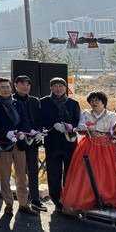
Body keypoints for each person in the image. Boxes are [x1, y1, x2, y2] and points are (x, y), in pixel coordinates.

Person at [61, 91, 116, 212]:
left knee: (106, 172)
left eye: (97, 100)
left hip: (106, 146)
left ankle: (105, 197)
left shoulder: (111, 115)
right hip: (89, 145)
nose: (94, 103)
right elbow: (81, 129)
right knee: (85, 172)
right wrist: (81, 129)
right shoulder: (86, 113)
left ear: (103, 102)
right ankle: (85, 198)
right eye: (92, 100)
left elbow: (115, 133)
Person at [0, 77, 37, 216]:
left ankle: (23, 203)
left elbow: (25, 120)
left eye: (7, 87)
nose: (6, 89)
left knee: (21, 175)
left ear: (11, 87)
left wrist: (23, 131)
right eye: (2, 87)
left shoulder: (18, 103)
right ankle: (9, 203)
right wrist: (6, 133)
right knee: (5, 175)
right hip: (4, 144)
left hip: (20, 143)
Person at [40, 77, 80, 211]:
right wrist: (52, 125)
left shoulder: (73, 103)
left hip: (70, 143)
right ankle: (56, 198)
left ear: (65, 88)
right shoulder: (44, 102)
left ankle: (68, 197)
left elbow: (77, 122)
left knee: (70, 171)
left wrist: (69, 126)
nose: (58, 88)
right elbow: (41, 120)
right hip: (52, 142)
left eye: (61, 86)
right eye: (55, 86)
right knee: (53, 172)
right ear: (50, 88)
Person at [13, 75, 45, 212]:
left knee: (33, 170)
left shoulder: (34, 101)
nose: (25, 87)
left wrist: (38, 131)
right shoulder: (12, 100)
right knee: (20, 172)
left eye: (28, 84)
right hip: (18, 140)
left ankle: (35, 199)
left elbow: (39, 118)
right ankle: (23, 201)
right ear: (15, 85)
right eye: (22, 84)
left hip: (33, 141)